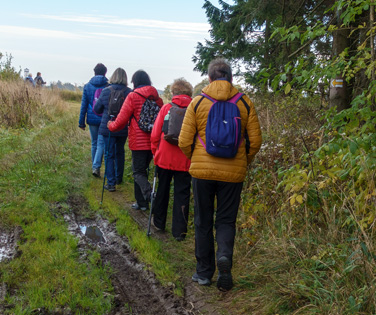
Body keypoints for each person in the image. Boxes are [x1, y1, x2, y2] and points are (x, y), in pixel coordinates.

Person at [177, 58, 262, 291]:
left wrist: (195, 157)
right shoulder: (245, 103)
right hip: (233, 174)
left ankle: (204, 273)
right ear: (231, 78)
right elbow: (255, 141)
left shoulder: (197, 103)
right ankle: (224, 257)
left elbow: (184, 141)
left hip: (202, 173)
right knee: (225, 220)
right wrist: (243, 160)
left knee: (203, 220)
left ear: (210, 78)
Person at [108, 70, 162, 211]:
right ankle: (141, 202)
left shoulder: (133, 96)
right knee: (142, 170)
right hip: (153, 140)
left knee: (138, 172)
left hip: (138, 142)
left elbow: (121, 119)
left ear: (135, 82)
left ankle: (149, 195)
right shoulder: (157, 98)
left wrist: (110, 126)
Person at [149, 78, 193, 241]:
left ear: (174, 93)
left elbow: (155, 134)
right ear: (189, 94)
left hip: (164, 158)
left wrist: (155, 152)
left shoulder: (166, 108)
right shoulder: (194, 110)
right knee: (182, 194)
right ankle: (179, 232)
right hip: (185, 159)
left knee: (162, 190)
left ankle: (159, 222)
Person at [94, 68, 130, 192]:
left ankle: (110, 183)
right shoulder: (128, 92)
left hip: (107, 126)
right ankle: (118, 177)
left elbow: (97, 109)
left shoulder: (105, 91)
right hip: (122, 127)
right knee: (120, 152)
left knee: (109, 154)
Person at [79, 63, 110, 178]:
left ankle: (95, 166)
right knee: (101, 143)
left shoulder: (87, 86)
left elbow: (84, 105)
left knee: (94, 143)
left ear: (94, 72)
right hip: (103, 119)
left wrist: (81, 122)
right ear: (105, 72)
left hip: (91, 119)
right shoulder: (108, 86)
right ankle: (96, 167)